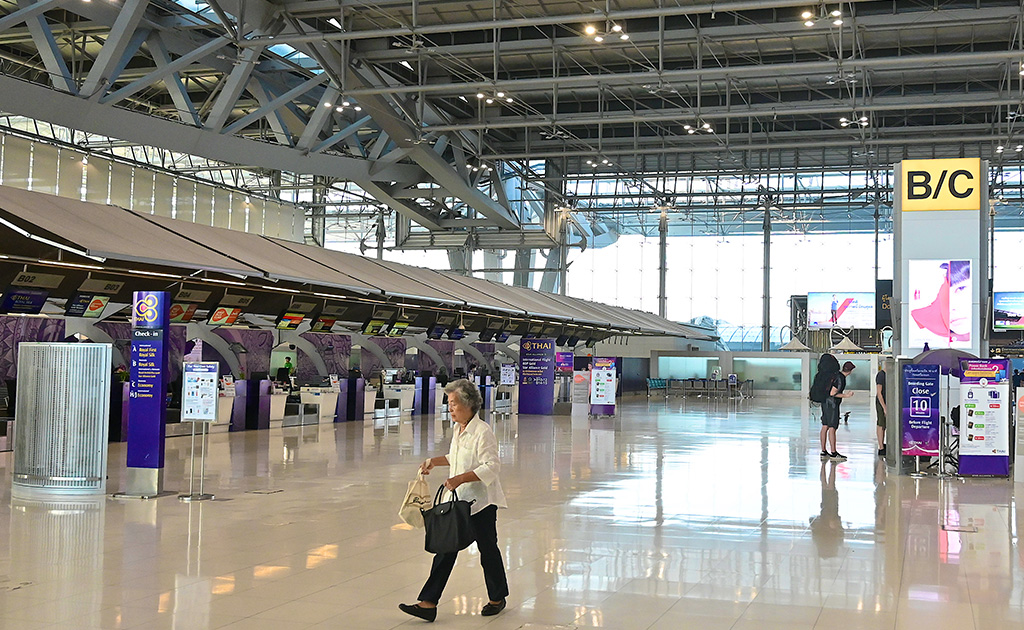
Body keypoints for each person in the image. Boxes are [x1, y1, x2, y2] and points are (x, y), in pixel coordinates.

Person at [400, 379, 509, 622]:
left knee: (488, 550)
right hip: (459, 502)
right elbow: (455, 456)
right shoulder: (459, 430)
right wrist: (434, 461)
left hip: (481, 503)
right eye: (448, 404)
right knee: (446, 549)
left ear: (468, 404)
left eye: (453, 404)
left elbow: (492, 466)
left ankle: (497, 597)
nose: (450, 408)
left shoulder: (482, 431)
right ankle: (428, 603)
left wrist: (460, 478)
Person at [820, 361, 855, 461]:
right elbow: (833, 393)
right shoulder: (841, 378)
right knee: (832, 427)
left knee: (825, 425)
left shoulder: (835, 375)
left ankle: (823, 451)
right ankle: (833, 453)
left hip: (824, 402)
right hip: (832, 405)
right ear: (850, 371)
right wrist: (846, 395)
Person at [875, 367, 887, 456]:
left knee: (884, 424)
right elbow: (879, 393)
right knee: (881, 424)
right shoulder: (881, 375)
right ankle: (881, 447)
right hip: (882, 402)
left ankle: (883, 445)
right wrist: (884, 407)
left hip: (888, 401)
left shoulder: (890, 375)